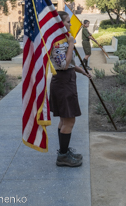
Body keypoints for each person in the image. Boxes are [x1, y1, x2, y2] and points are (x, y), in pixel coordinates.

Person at [50, 11, 92, 167]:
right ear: (61, 24)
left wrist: (82, 71)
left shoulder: (62, 40)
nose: (70, 24)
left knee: (64, 119)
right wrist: (72, 44)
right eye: (68, 22)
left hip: (65, 81)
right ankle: (62, 156)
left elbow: (71, 65)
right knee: (69, 120)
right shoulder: (57, 43)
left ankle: (64, 150)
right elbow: (64, 65)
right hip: (62, 83)